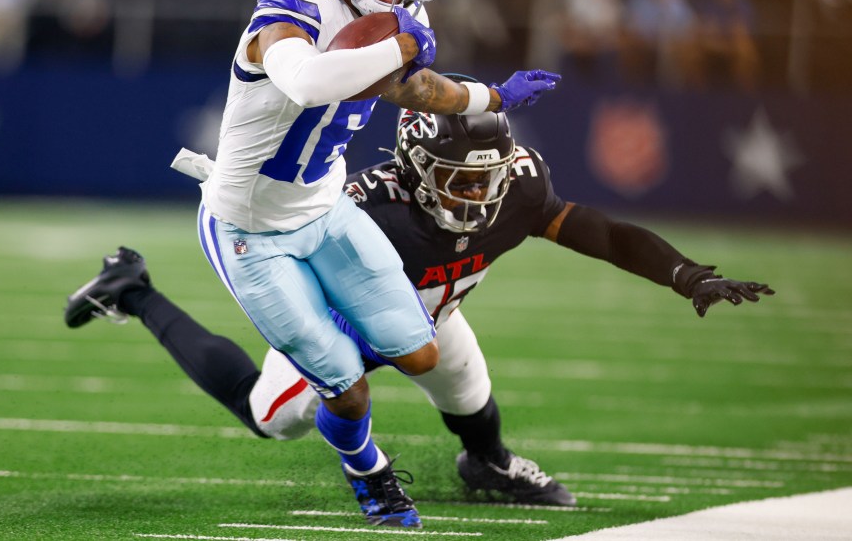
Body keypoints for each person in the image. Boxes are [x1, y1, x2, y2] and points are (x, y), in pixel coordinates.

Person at [65, 86, 774, 518]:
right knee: (273, 419)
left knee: (467, 386)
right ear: (414, 169)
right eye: (458, 179)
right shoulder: (366, 214)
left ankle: (487, 465)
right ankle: (135, 289)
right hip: (339, 312)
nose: (477, 193)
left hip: (431, 312)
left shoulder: (517, 187)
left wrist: (684, 274)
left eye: (484, 179)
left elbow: (598, 231)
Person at [117, 0, 560, 529]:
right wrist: (401, 45)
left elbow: (414, 88)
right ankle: (371, 476)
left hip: (325, 208)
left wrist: (489, 97)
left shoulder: (398, 23)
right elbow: (306, 80)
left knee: (422, 353)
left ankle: (335, 352)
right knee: (347, 390)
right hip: (250, 227)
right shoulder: (291, 2)